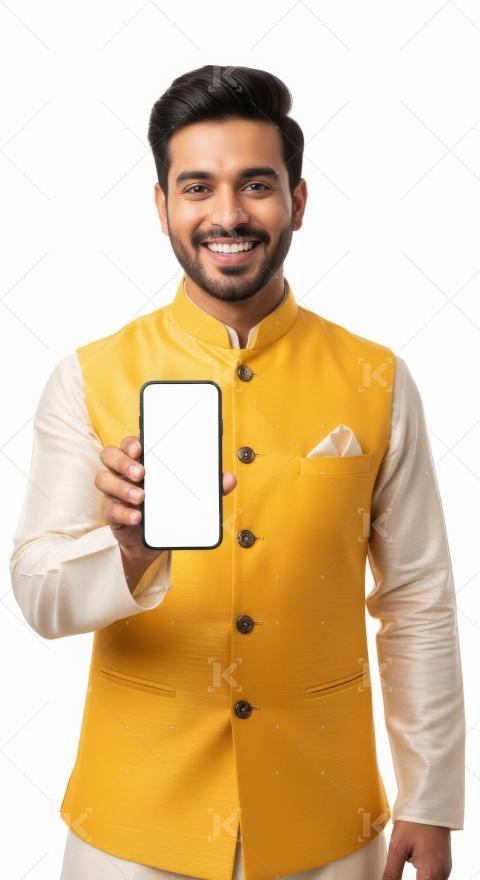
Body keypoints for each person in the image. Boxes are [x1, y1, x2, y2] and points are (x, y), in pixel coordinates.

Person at [10, 65, 464, 880]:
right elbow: (39, 597)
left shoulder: (378, 379)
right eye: (197, 188)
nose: (228, 215)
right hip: (128, 832)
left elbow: (418, 601)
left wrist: (430, 798)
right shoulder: (88, 377)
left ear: (298, 200)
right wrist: (129, 553)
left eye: (256, 185)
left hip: (328, 824)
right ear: (162, 207)